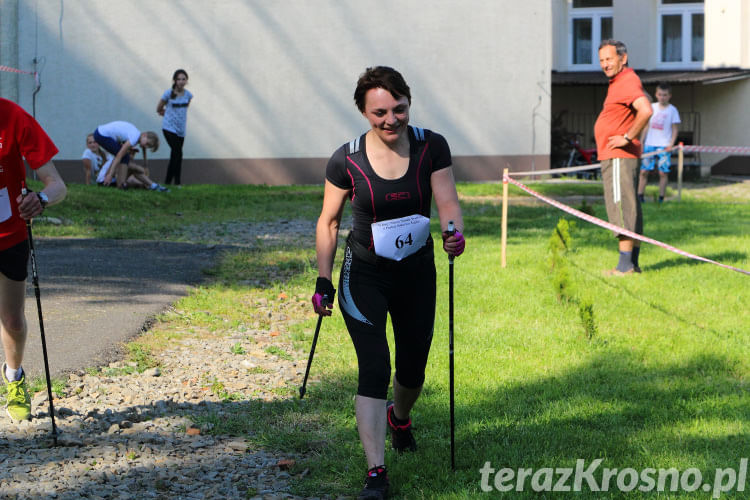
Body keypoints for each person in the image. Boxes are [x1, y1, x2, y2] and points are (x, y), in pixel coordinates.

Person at [312, 66, 465, 500]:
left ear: (408, 103)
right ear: (363, 111)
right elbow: (328, 221)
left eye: (399, 109)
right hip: (364, 274)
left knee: (412, 368)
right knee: (375, 366)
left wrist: (453, 233)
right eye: (380, 112)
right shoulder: (347, 159)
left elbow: (447, 201)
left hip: (417, 272)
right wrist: (323, 280)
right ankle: (376, 473)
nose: (391, 119)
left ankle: (401, 417)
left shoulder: (431, 146)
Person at [0, 97, 67, 421]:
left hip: (9, 235)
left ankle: (14, 376)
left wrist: (39, 199)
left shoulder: (12, 116)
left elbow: (58, 186)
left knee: (12, 321)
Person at [594, 40, 652, 276]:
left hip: (619, 156)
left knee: (620, 206)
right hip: (619, 157)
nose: (605, 64)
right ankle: (632, 264)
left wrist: (627, 138)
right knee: (630, 206)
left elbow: (646, 110)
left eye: (609, 59)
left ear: (623, 58)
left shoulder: (626, 80)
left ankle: (625, 266)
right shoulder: (620, 82)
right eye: (602, 61)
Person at [92, 121, 168, 191]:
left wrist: (145, 165)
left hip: (100, 133)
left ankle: (153, 186)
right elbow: (119, 155)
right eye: (147, 144)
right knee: (124, 157)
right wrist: (110, 175)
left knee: (125, 158)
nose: (146, 147)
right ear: (144, 135)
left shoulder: (136, 135)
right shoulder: (134, 137)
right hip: (101, 135)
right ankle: (120, 184)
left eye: (149, 146)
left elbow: (141, 147)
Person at [638, 83, 680, 203]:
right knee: (644, 171)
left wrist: (671, 144)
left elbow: (675, 129)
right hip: (649, 144)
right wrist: (642, 142)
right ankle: (640, 195)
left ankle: (661, 197)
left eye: (665, 95)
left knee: (663, 172)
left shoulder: (673, 110)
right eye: (660, 95)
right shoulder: (651, 107)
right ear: (656, 95)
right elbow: (646, 126)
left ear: (669, 96)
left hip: (664, 145)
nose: (662, 97)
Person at [157, 69, 193, 186]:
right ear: (174, 81)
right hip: (169, 127)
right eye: (179, 79)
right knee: (178, 153)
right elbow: (159, 108)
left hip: (181, 129)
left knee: (175, 154)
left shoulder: (188, 95)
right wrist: (166, 115)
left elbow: (185, 108)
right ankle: (177, 182)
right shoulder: (168, 93)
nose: (181, 81)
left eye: (184, 79)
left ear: (186, 81)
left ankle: (167, 182)